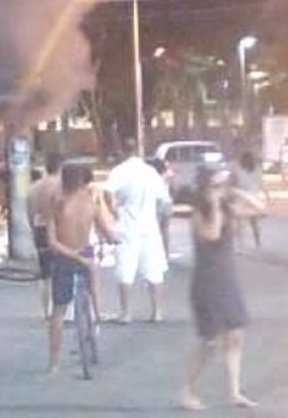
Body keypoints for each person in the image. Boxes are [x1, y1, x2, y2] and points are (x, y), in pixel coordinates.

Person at [180, 167, 266, 411]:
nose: (219, 190)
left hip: (227, 280)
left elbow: (260, 209)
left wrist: (237, 192)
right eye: (215, 187)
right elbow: (212, 234)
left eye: (221, 186)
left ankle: (235, 391)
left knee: (236, 334)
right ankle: (187, 390)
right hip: (207, 283)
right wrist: (215, 206)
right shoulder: (199, 214)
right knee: (209, 342)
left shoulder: (228, 208)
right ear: (204, 189)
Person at [46, 163, 115, 374]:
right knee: (92, 281)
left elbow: (51, 241)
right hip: (85, 254)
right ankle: (97, 314)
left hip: (64, 256)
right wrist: (114, 240)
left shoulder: (57, 204)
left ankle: (54, 362)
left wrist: (70, 253)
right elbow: (106, 231)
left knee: (58, 311)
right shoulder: (91, 203)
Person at [105, 144, 171, 323]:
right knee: (154, 269)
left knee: (125, 270)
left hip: (127, 226)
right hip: (149, 226)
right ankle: (157, 311)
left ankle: (126, 313)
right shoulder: (151, 172)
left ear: (123, 152)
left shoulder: (119, 171)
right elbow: (163, 199)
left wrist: (114, 211)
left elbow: (107, 192)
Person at [26, 152, 63, 319]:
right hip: (60, 229)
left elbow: (30, 212)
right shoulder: (62, 186)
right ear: (60, 167)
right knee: (62, 269)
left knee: (45, 272)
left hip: (40, 227)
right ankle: (60, 308)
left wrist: (33, 228)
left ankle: (46, 311)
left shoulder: (34, 187)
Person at [231, 152, 267, 249]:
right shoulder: (256, 168)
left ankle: (240, 245)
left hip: (242, 196)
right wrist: (266, 195)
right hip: (252, 196)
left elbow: (232, 182)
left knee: (240, 223)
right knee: (253, 221)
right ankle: (257, 241)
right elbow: (261, 183)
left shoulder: (237, 167)